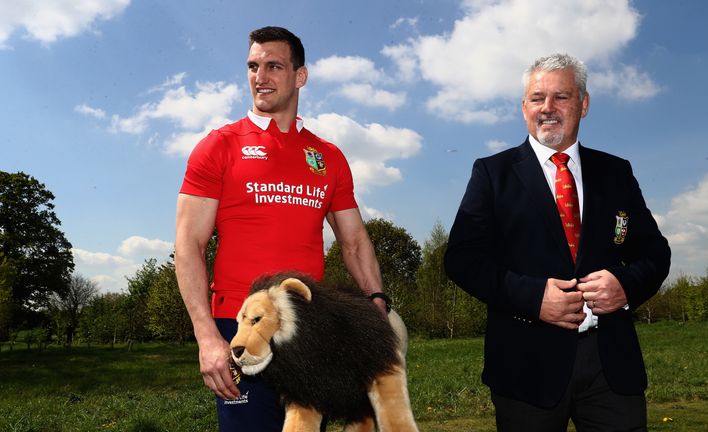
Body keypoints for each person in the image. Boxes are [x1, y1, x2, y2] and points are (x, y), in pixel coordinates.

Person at [174, 26, 388, 431]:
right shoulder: (219, 146)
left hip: (308, 331)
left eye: (274, 66)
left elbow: (354, 240)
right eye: (253, 66)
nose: (260, 77)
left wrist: (376, 302)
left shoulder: (328, 156)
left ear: (300, 76)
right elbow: (188, 245)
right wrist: (206, 337)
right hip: (239, 325)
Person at [444, 53, 671, 431]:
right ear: (523, 107)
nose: (547, 108)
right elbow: (462, 259)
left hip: (611, 366)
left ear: (583, 103)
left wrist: (624, 286)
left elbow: (655, 253)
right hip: (525, 367)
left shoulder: (616, 172)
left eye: (561, 97)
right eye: (537, 98)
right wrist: (534, 299)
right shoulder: (492, 172)